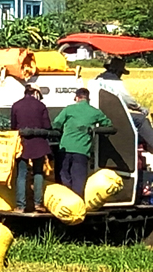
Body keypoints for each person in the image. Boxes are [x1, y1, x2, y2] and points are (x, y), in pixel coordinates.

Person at [95, 56, 153, 154]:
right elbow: (127, 100)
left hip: (99, 114)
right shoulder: (114, 82)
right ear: (117, 71)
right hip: (114, 116)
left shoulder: (97, 80)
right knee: (141, 120)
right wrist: (139, 108)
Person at [52, 88, 112, 198]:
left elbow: (56, 124)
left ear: (77, 97)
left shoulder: (69, 109)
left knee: (63, 175)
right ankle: (77, 202)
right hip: (82, 150)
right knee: (79, 179)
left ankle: (65, 198)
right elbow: (108, 124)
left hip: (65, 148)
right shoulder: (95, 112)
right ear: (88, 98)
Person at [10, 83, 52, 212]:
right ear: (36, 93)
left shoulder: (16, 105)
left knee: (21, 174)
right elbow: (47, 125)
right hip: (39, 144)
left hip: (22, 144)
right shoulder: (41, 106)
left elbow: (13, 126)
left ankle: (20, 206)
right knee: (38, 172)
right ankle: (38, 204)